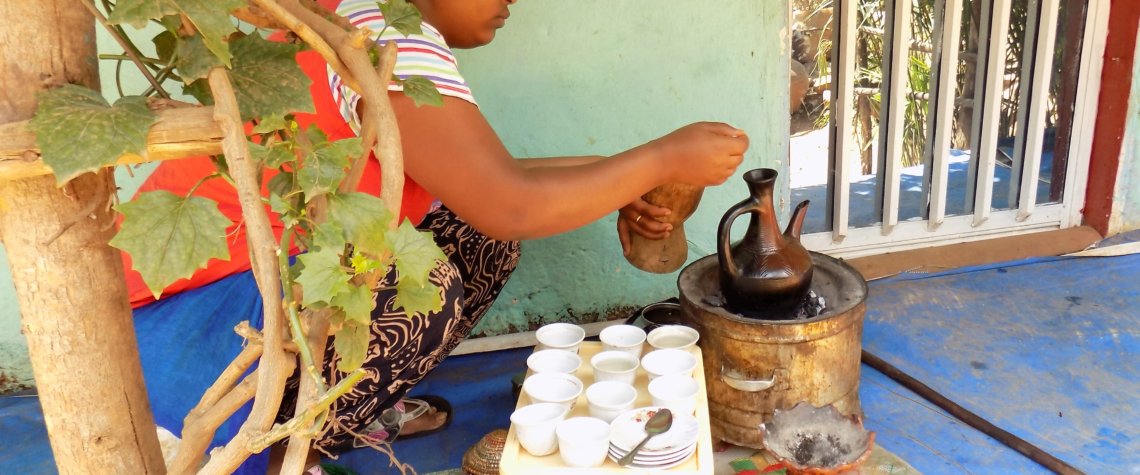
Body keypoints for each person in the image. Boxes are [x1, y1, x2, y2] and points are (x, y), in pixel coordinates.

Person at [124, 0, 748, 471]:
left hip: (213, 311)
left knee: (472, 236)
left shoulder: (356, 15)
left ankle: (345, 406)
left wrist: (623, 179)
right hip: (185, 357)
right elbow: (507, 201)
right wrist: (663, 160)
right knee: (419, 282)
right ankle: (279, 448)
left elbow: (485, 182)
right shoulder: (386, 34)